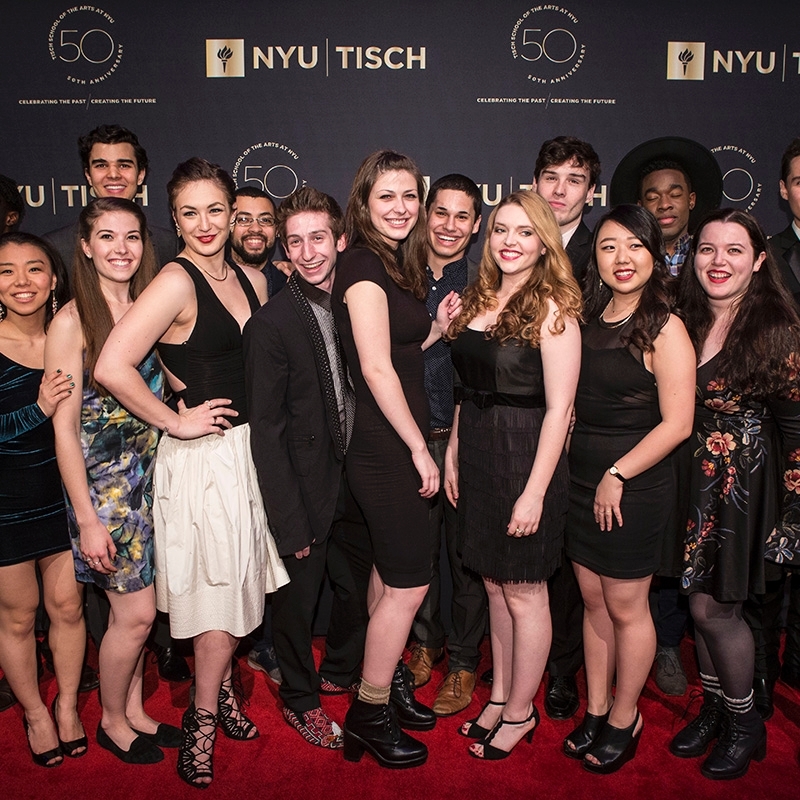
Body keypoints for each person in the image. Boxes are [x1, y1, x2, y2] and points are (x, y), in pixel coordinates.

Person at [94, 157, 289, 788]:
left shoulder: (251, 279)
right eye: (189, 213)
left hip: (247, 455)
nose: (204, 224)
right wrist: (174, 423)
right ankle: (201, 724)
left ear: (232, 214)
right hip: (204, 462)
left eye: (215, 210)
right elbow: (112, 365)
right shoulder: (175, 282)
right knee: (214, 600)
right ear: (173, 220)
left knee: (235, 590)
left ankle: (223, 693)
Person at [43, 123, 186, 685]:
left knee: (141, 617)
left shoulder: (151, 308)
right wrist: (86, 518)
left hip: (153, 483)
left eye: (131, 237)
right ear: (85, 246)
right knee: (137, 616)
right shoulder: (72, 321)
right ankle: (114, 720)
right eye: (106, 237)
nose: (121, 249)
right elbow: (64, 430)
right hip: (105, 496)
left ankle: (131, 713)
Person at [332, 150, 460, 769]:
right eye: (387, 196)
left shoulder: (391, 262)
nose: (401, 207)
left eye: (410, 195)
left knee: (389, 576)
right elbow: (375, 368)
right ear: (363, 202)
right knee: (411, 583)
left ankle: (384, 687)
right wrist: (417, 448)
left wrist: (435, 327)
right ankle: (368, 712)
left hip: (390, 438)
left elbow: (400, 349)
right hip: (386, 445)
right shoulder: (361, 264)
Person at [444, 190, 582, 760]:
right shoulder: (480, 298)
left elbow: (561, 410)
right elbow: (467, 388)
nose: (510, 241)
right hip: (479, 452)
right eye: (501, 229)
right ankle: (500, 695)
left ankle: (522, 712)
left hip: (526, 457)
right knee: (495, 586)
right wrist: (454, 449)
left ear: (544, 242)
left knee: (524, 591)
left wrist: (534, 493)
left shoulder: (553, 308)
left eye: (525, 232)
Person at [562, 205, 695, 773]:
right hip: (581, 480)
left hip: (632, 484)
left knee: (625, 604)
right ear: (594, 255)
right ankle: (596, 708)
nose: (622, 258)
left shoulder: (665, 326)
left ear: (654, 255)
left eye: (635, 246)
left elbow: (678, 424)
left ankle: (624, 717)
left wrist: (617, 474)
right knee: (593, 599)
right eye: (609, 246)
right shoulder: (587, 317)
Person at [672, 208, 800, 780]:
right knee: (698, 603)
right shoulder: (685, 318)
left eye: (734, 250)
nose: (718, 261)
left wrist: (791, 518)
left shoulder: (777, 330)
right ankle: (718, 708)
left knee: (714, 608)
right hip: (693, 482)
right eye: (707, 249)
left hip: (746, 488)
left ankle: (746, 723)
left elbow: (797, 431)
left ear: (759, 260)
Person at [244, 186, 371, 750]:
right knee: (296, 606)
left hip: (357, 479)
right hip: (303, 487)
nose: (308, 252)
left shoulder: (358, 301)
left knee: (357, 590)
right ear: (283, 247)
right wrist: (288, 520)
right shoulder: (270, 324)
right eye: (294, 242)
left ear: (340, 239)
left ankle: (340, 668)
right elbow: (266, 433)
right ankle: (300, 697)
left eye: (318, 238)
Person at [610, 136, 723, 696]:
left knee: (682, 537)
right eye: (652, 195)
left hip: (698, 423)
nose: (665, 203)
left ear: (692, 199)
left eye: (674, 193)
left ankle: (669, 643)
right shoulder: (623, 263)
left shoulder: (713, 258)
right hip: (636, 423)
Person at [406, 173, 488, 718]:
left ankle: (462, 660)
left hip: (462, 440)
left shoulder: (487, 284)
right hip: (408, 440)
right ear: (425, 212)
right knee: (416, 556)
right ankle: (425, 643)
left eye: (462, 216)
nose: (450, 225)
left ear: (476, 224)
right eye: (441, 212)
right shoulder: (397, 277)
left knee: (465, 559)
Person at [0, 232, 82, 766]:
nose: (21, 281)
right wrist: (38, 409)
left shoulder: (71, 333)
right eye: (6, 271)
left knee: (69, 607)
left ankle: (68, 706)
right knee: (19, 616)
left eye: (34, 269)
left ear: (54, 279)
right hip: (6, 505)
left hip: (64, 497)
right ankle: (34, 713)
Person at [531, 135, 601, 720]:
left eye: (573, 179)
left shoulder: (603, 252)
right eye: (551, 176)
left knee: (569, 558)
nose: (560, 189)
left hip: (582, 424)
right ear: (534, 182)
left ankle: (561, 669)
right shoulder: (511, 240)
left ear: (590, 191)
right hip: (516, 423)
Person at [744, 138, 800, 717]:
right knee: (758, 583)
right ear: (783, 190)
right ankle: (750, 694)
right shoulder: (772, 257)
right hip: (758, 460)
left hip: (784, 448)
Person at [44, 124, 178, 274]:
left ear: (140, 174)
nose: (113, 174)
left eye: (124, 165)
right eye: (101, 165)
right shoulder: (57, 246)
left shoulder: (167, 243)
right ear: (88, 176)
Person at [229, 186, 289, 299]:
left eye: (265, 220)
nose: (256, 229)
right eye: (244, 219)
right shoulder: (205, 281)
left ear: (276, 229)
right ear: (228, 225)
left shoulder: (290, 286)